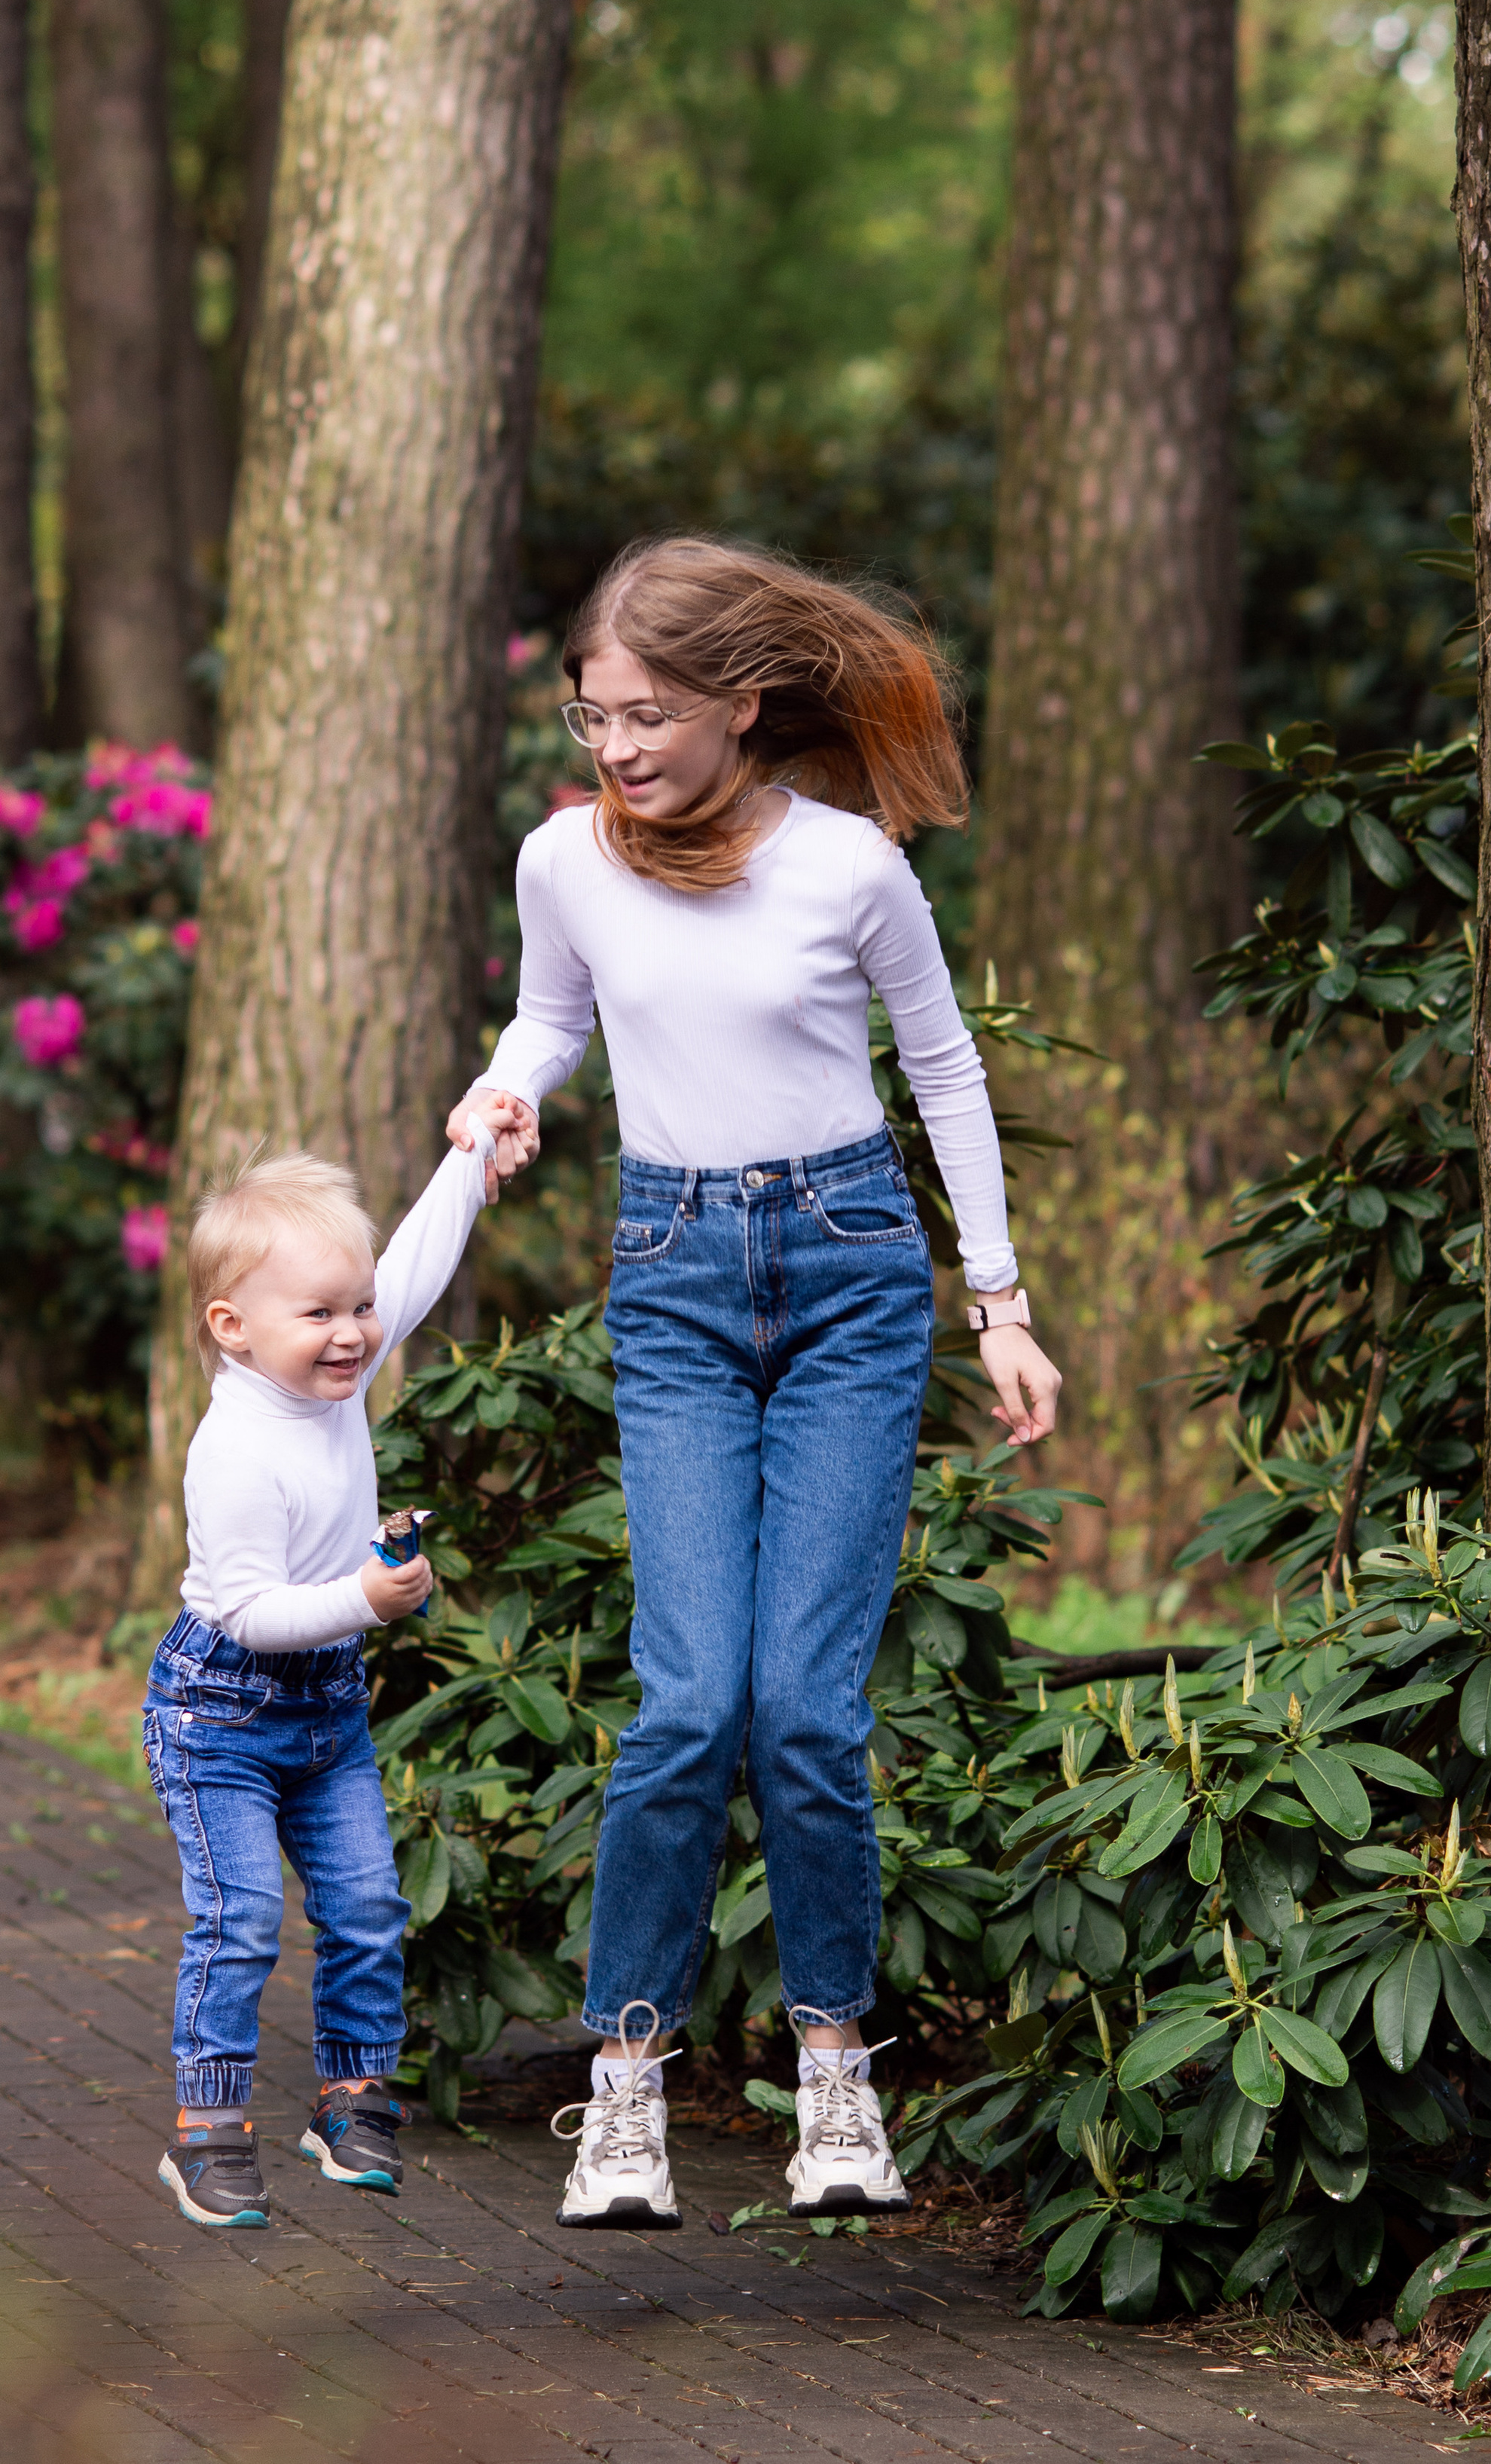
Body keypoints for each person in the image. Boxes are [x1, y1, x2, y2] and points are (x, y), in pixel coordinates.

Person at [449, 537, 1063, 2231]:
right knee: (678, 1707)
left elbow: (940, 1066)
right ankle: (627, 2086)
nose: (618, 747)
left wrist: (996, 1302)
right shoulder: (563, 861)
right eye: (591, 717)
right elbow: (547, 1023)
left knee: (800, 1712)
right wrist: (501, 1097)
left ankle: (836, 2079)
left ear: (736, 702)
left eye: (646, 715)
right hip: (673, 1285)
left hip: (852, 1275)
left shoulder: (850, 867)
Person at [146, 1095, 535, 2228]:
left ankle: (351, 2096)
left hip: (325, 1712)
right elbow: (249, 1610)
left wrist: (468, 1155)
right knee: (243, 1919)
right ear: (233, 1326)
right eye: (320, 1311)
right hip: (218, 1713)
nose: (355, 1331)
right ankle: (207, 2131)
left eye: (359, 1308)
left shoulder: (338, 1371)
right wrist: (365, 1596)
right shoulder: (235, 1449)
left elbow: (412, 1259)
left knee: (369, 1901)